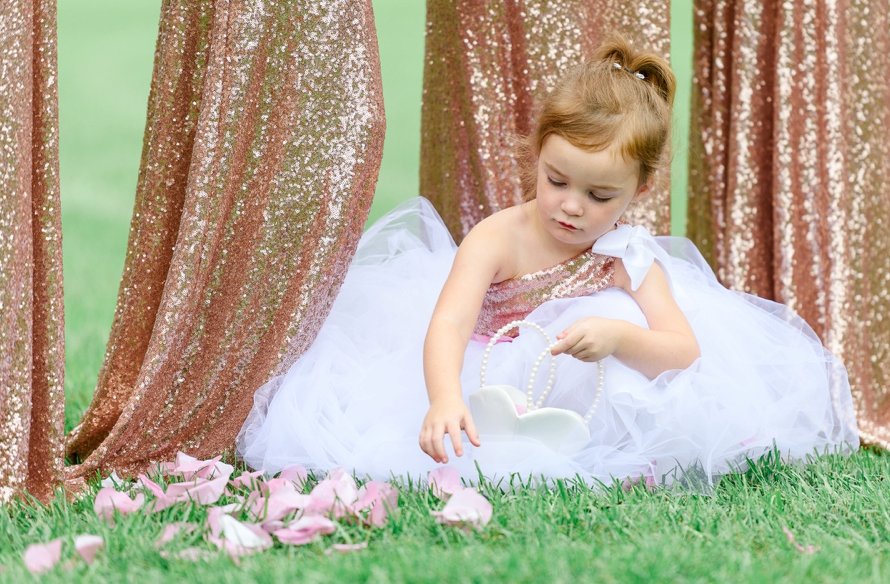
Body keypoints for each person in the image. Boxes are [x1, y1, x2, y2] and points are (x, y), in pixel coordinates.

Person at [237, 35, 858, 489]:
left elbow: (683, 349)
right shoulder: (497, 239)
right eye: (557, 180)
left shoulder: (628, 255)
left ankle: (608, 440)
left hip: (583, 382)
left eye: (600, 196)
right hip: (487, 368)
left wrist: (619, 336)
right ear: (536, 154)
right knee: (445, 421)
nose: (571, 208)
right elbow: (450, 324)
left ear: (638, 192)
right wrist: (444, 396)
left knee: (616, 306)